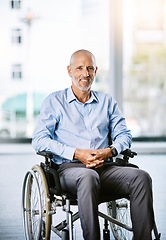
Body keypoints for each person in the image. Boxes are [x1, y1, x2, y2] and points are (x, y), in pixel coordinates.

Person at [32, 49, 154, 240]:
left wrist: (110, 151)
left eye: (89, 68)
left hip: (105, 167)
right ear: (69, 71)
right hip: (68, 170)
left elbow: (124, 135)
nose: (85, 74)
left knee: (141, 177)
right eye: (79, 68)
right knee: (88, 177)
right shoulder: (55, 101)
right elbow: (39, 140)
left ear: (95, 71)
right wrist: (76, 153)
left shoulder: (107, 102)